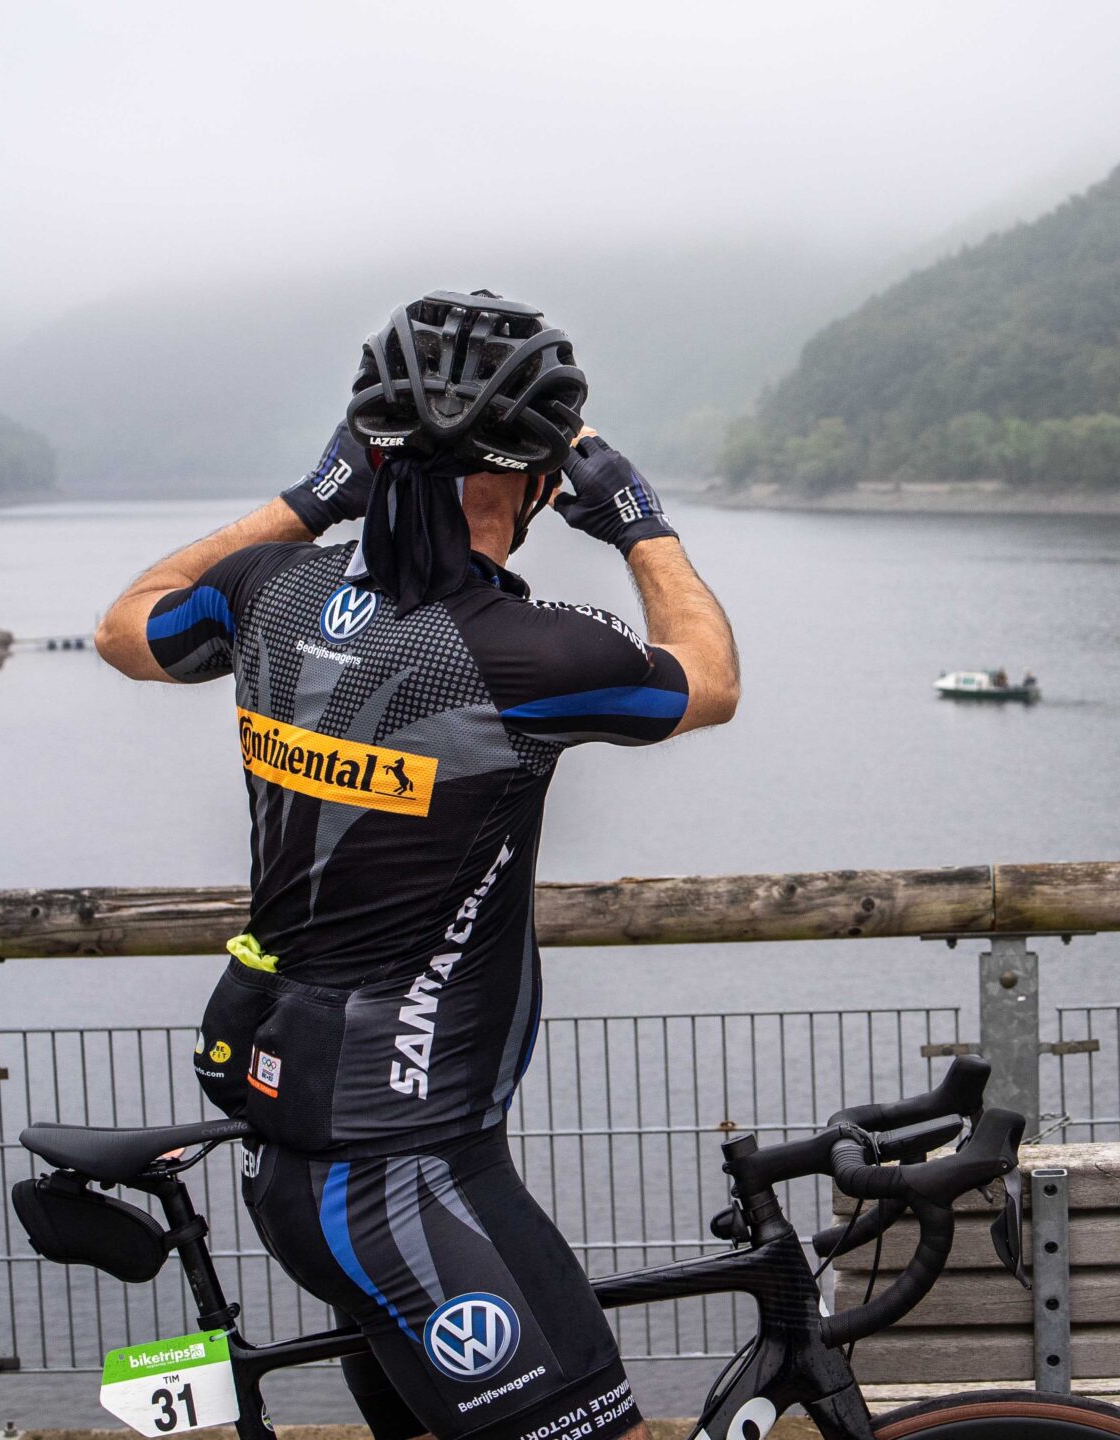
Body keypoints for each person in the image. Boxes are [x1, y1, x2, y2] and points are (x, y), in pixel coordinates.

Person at [93, 291, 738, 1440]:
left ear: (370, 456)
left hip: (320, 1139)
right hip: (398, 1171)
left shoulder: (270, 594)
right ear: (542, 484)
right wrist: (639, 519)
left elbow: (125, 625)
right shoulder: (528, 652)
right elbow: (708, 679)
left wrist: (309, 501)